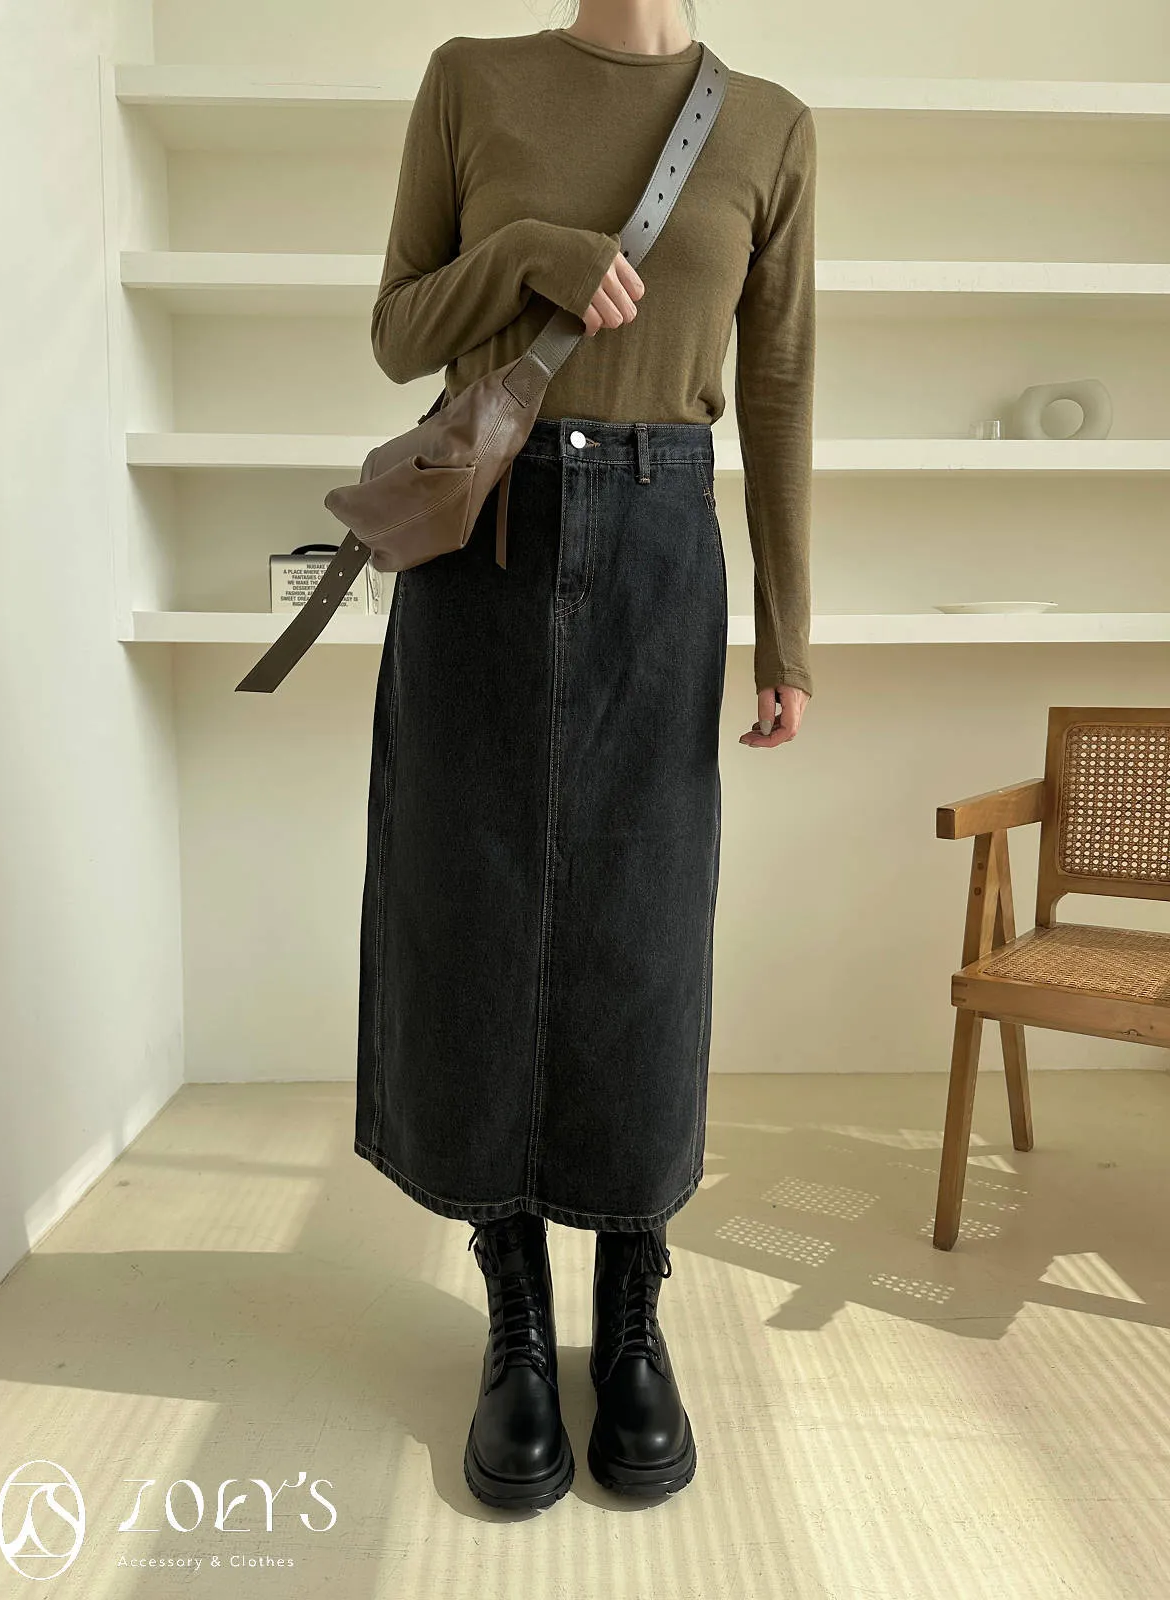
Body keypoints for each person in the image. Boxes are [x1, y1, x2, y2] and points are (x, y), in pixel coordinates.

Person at [358, 0, 816, 1509]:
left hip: (665, 545)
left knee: (641, 936)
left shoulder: (768, 125)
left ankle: (630, 1315)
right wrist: (524, 257)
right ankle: (515, 1313)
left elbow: (777, 389)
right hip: (481, 542)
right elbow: (397, 333)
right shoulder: (470, 80)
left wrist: (789, 631)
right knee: (475, 920)